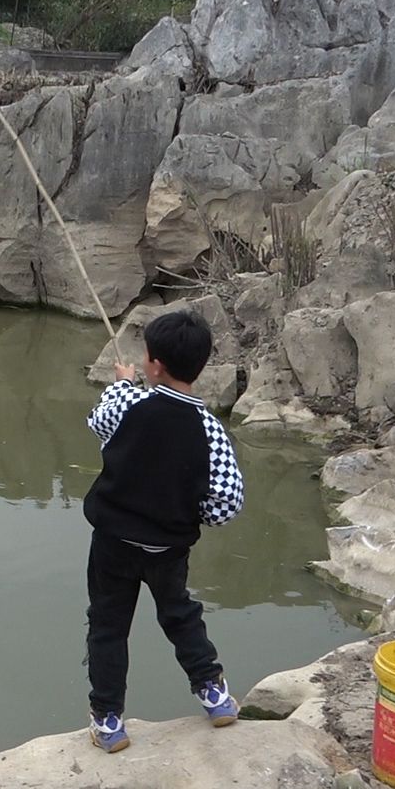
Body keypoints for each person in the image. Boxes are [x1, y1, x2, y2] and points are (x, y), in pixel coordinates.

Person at [81, 310, 245, 753]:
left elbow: (98, 422)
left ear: (152, 365)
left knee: (108, 626)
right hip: (169, 547)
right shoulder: (209, 428)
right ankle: (214, 695)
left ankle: (109, 721)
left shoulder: (129, 402)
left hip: (113, 542)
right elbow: (227, 502)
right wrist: (192, 515)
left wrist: (120, 382)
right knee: (179, 614)